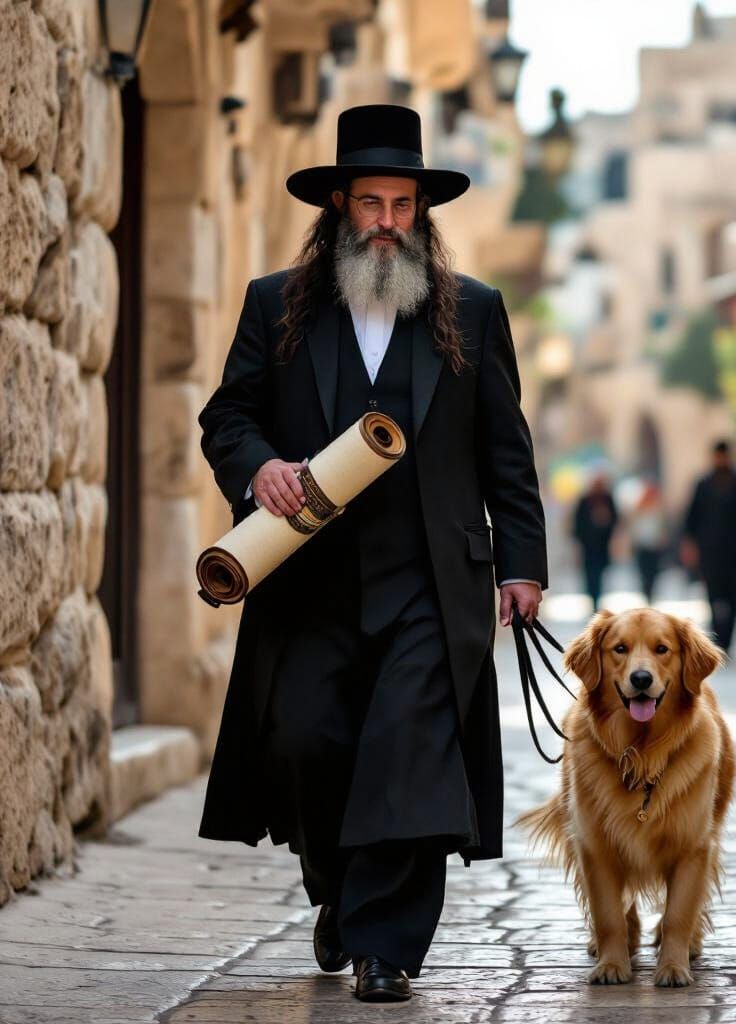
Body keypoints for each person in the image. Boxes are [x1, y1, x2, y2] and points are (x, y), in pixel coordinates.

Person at [196, 105, 547, 1004]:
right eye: (370, 203)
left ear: (420, 212)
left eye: (402, 204)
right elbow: (226, 417)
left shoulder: (474, 311)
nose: (387, 222)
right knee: (307, 743)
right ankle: (339, 891)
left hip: (432, 582)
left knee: (409, 752)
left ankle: (384, 945)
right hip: (307, 581)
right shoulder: (275, 304)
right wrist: (260, 467)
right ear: (339, 208)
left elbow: (505, 450)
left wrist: (521, 564)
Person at [679, 440, 736, 655]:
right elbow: (691, 518)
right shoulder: (703, 485)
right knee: (713, 595)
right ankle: (717, 638)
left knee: (734, 596)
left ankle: (728, 641)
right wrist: (690, 545)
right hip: (710, 552)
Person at [572, 471, 618, 612]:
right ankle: (593, 600)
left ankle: (597, 599)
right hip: (588, 547)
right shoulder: (585, 501)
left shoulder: (607, 499)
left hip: (602, 546)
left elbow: (615, 519)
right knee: (590, 576)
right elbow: (577, 523)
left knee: (600, 574)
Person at [628, 479, 669, 604]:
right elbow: (632, 528)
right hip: (642, 546)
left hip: (654, 546)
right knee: (644, 572)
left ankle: (651, 593)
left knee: (653, 572)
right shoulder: (637, 510)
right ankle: (646, 593)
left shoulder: (659, 510)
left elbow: (663, 527)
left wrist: (662, 539)